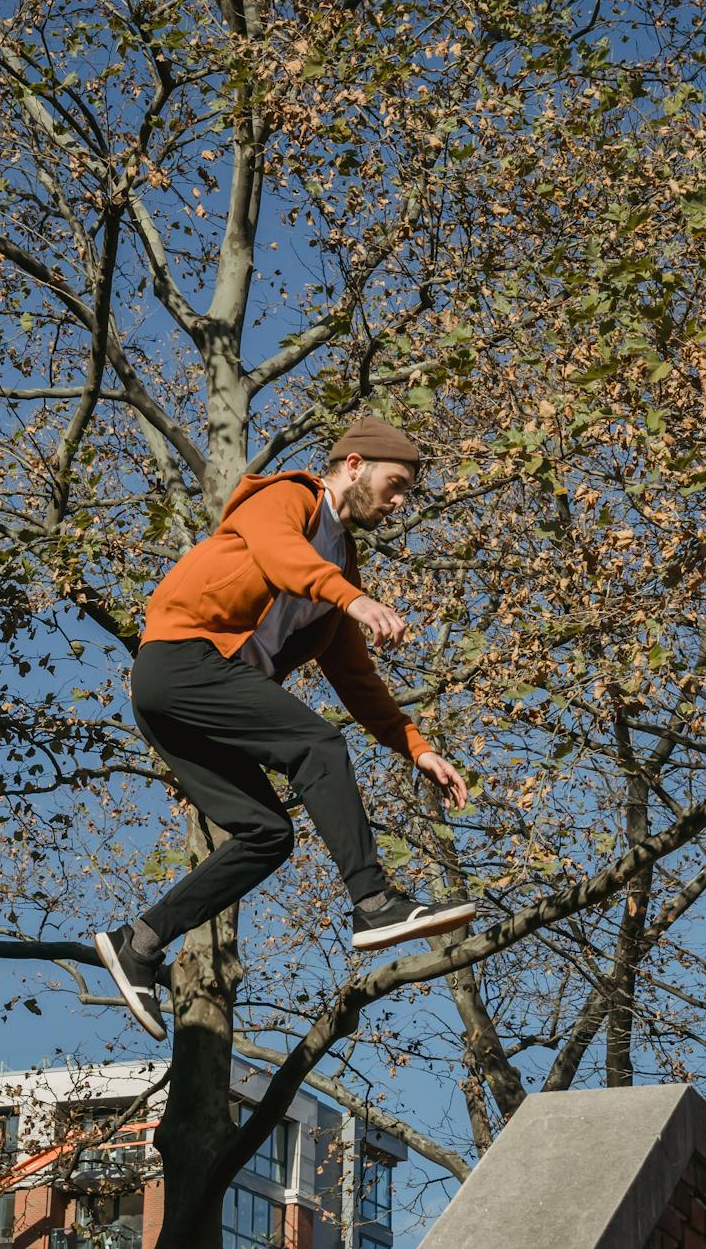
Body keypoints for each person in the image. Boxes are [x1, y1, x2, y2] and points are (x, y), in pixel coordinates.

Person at [95, 415, 475, 1039]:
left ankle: (138, 943)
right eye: (396, 484)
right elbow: (279, 556)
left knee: (266, 835)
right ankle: (375, 903)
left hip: (201, 701)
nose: (400, 503)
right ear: (354, 465)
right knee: (316, 742)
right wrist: (351, 600)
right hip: (180, 663)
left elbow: (355, 678)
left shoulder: (341, 567)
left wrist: (418, 748)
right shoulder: (287, 498)